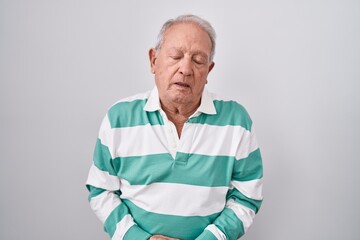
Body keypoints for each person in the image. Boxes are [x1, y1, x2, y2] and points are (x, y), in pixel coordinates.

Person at [86, 14, 263, 240]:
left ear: (209, 70)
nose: (185, 69)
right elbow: (101, 189)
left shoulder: (237, 121)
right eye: (176, 56)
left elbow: (247, 196)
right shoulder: (119, 118)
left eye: (198, 60)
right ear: (153, 60)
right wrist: (137, 238)